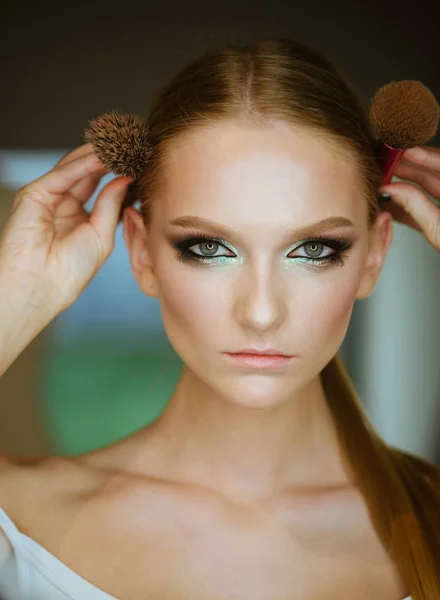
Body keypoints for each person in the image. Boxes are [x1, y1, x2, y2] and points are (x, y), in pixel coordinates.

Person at [0, 37, 439, 600]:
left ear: (373, 256)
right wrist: (16, 298)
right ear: (141, 253)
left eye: (313, 250)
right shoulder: (18, 517)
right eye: (208, 248)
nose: (260, 311)